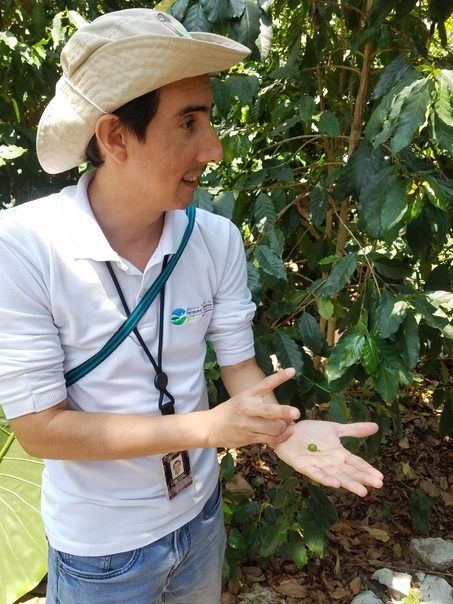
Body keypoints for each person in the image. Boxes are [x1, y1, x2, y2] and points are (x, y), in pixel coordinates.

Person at [0, 9, 384, 604]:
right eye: (187, 122)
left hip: (200, 520)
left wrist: (282, 430)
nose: (214, 149)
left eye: (208, 120)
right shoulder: (24, 247)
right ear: (115, 136)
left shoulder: (214, 239)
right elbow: (42, 431)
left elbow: (241, 370)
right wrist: (209, 427)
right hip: (102, 550)